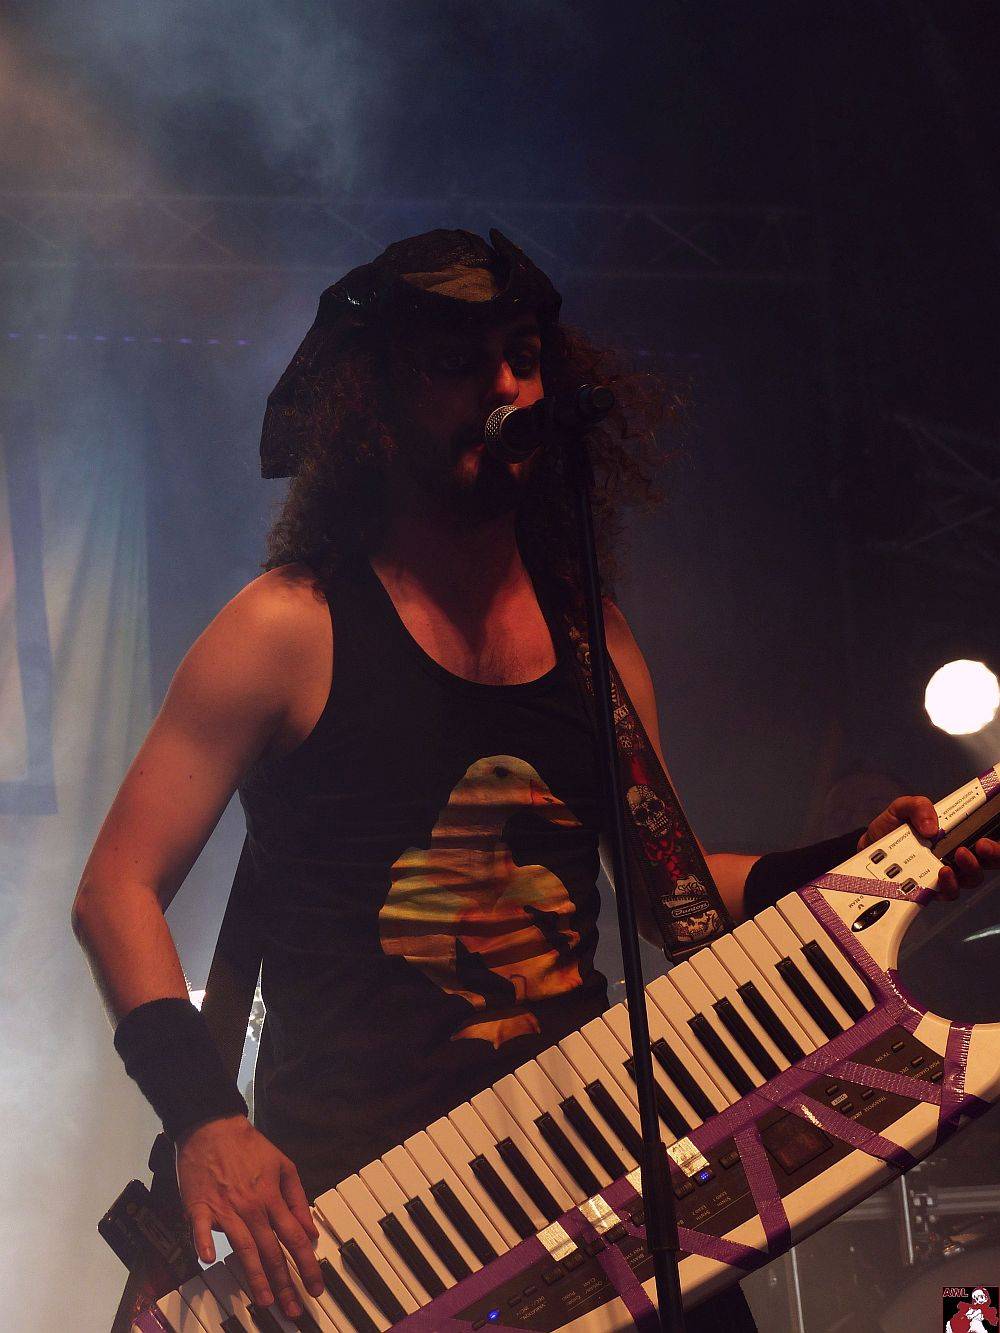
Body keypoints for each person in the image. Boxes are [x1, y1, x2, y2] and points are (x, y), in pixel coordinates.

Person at [72, 229, 998, 1332]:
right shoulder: (290, 625)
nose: (503, 387)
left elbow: (672, 894)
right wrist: (206, 1120)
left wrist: (865, 860)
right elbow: (115, 889)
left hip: (594, 1164)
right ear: (376, 405)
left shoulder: (591, 638)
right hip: (376, 1218)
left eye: (521, 355)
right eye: (456, 362)